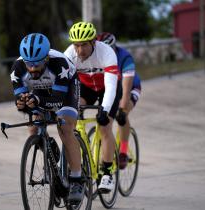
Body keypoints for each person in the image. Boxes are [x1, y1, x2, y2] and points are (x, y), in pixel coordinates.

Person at [10, 33, 83, 203]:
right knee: (34, 125)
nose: (33, 68)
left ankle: (76, 180)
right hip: (40, 90)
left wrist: (37, 101)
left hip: (66, 89)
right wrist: (22, 103)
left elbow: (57, 100)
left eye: (37, 64)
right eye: (29, 64)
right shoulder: (17, 69)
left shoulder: (60, 64)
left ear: (47, 58)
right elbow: (22, 100)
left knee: (65, 127)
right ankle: (47, 145)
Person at [64, 21, 122, 193]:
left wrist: (104, 110)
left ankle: (107, 173)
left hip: (107, 88)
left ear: (93, 42)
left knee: (105, 127)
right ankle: (77, 160)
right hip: (86, 88)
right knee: (70, 119)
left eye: (83, 45)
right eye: (76, 45)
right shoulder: (68, 55)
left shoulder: (107, 52)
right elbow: (66, 85)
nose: (79, 50)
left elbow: (111, 87)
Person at [96, 32, 142, 170]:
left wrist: (121, 108)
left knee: (121, 114)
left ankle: (123, 151)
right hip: (113, 87)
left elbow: (126, 90)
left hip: (130, 86)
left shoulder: (124, 58)